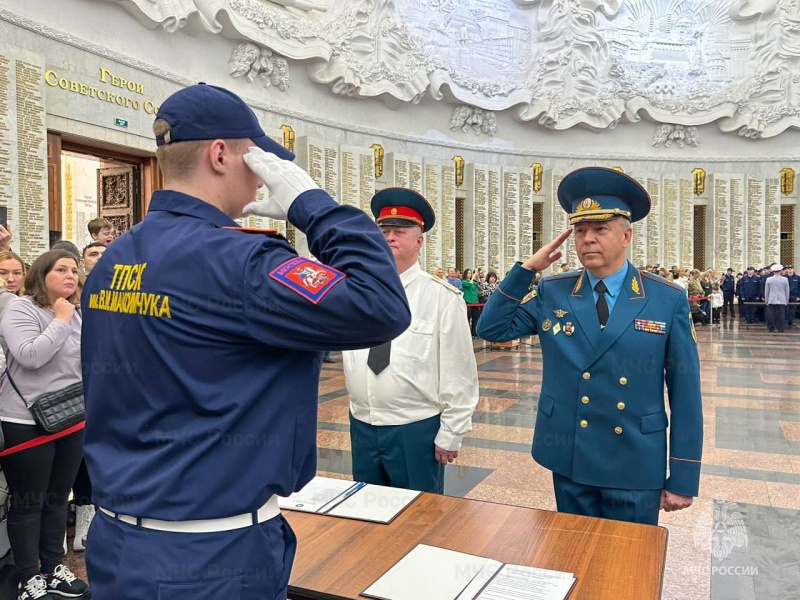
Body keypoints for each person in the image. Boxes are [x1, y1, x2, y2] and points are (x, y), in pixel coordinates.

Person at [81, 83, 410, 600]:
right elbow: (381, 306)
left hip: (120, 542)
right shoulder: (240, 261)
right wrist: (315, 208)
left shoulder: (116, 258)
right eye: (255, 158)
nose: (261, 175)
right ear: (219, 155)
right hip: (213, 557)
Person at [477, 167, 703, 525]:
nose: (588, 240)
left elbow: (685, 391)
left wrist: (684, 477)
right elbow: (492, 327)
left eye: (600, 229)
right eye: (580, 231)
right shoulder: (555, 291)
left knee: (629, 566)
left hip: (634, 461)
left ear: (626, 235)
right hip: (570, 456)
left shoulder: (664, 297)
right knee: (574, 558)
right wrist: (527, 269)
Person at [343, 188, 479, 494]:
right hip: (363, 424)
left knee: (418, 521)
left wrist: (451, 432)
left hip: (414, 429)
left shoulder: (441, 297)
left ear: (419, 241)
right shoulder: (356, 291)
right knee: (367, 513)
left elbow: (459, 370)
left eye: (399, 232)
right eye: (383, 231)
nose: (389, 237)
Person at [0, 250, 89, 600]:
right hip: (25, 420)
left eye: (74, 270)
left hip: (69, 418)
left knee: (56, 499)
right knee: (29, 502)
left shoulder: (75, 312)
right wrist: (61, 319)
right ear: (41, 273)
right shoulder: (21, 308)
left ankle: (53, 567)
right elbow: (30, 356)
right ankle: (28, 576)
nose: (71, 275)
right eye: (61, 269)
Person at [764, 263, 789, 333]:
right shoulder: (785, 279)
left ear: (773, 271)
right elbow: (787, 291)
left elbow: (766, 291)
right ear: (780, 270)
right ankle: (780, 328)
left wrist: (766, 299)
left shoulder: (769, 279)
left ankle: (771, 327)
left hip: (771, 299)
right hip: (782, 299)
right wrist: (786, 300)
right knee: (781, 314)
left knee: (771, 314)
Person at [461, 268, 481, 337]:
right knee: (468, 317)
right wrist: (473, 278)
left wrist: (477, 277)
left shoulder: (474, 281)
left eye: (470, 273)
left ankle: (475, 334)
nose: (469, 274)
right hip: (468, 301)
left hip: (475, 301)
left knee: (475, 317)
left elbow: (479, 286)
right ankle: (467, 334)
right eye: (468, 273)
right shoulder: (464, 281)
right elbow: (468, 285)